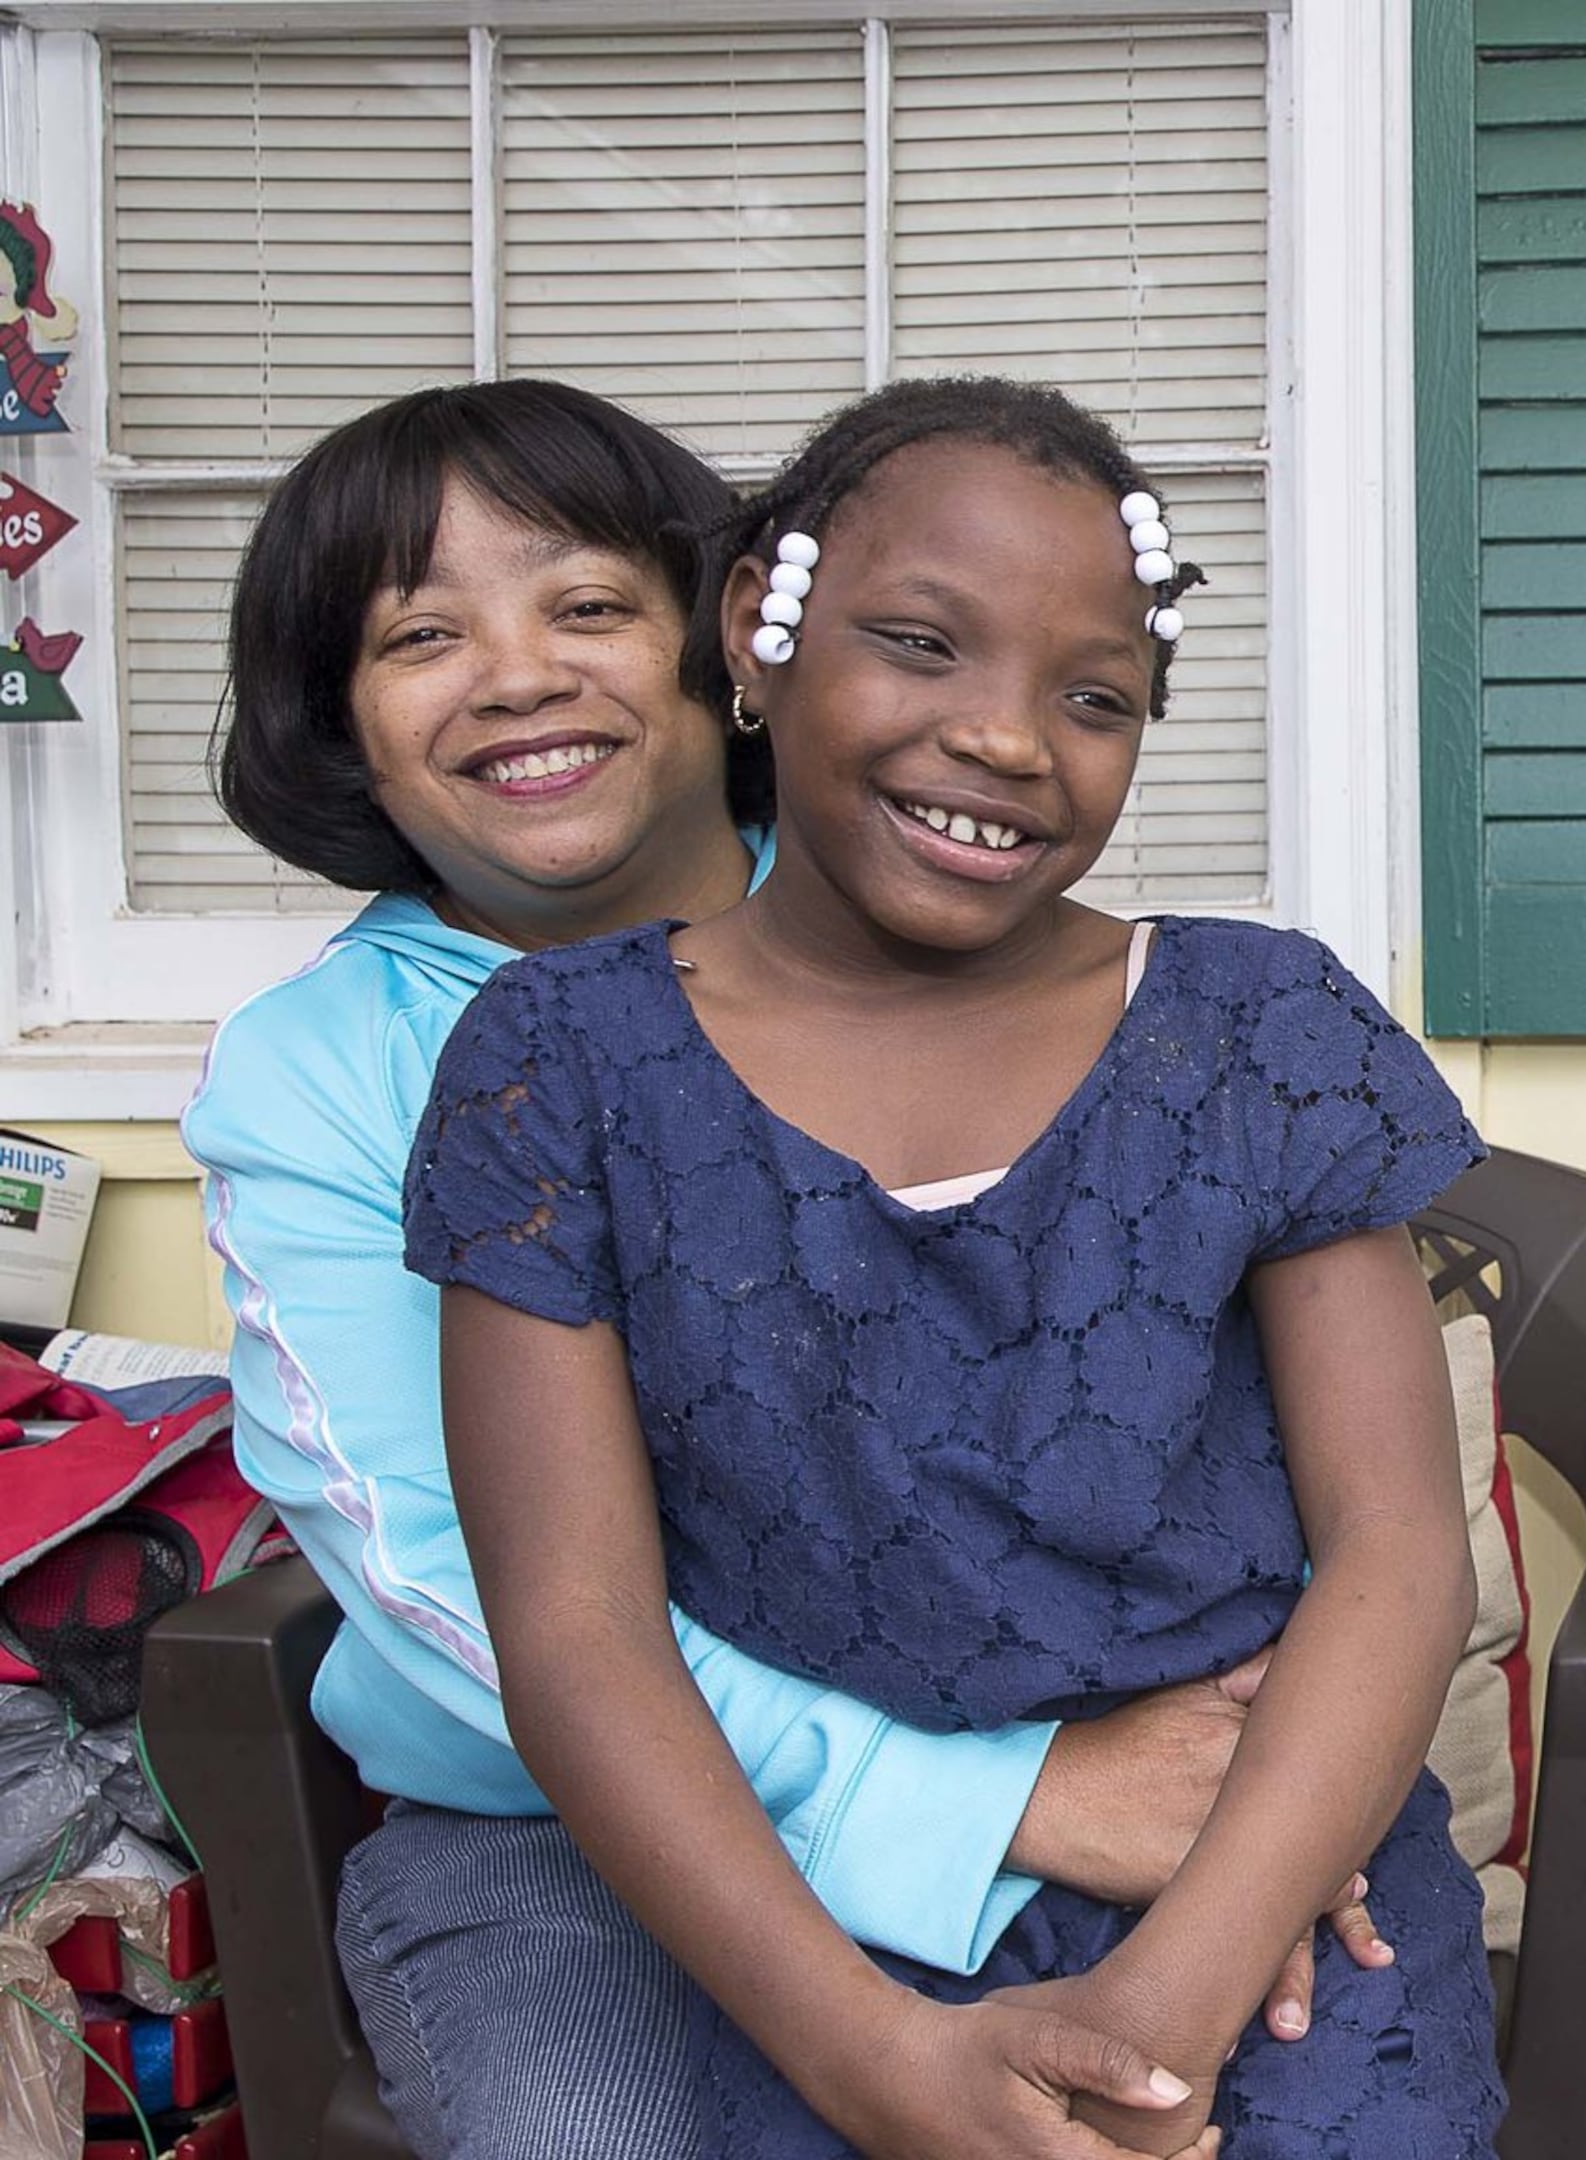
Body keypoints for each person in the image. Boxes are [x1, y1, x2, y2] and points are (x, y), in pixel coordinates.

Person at [185, 379, 1386, 2160]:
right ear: (340, 720)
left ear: (735, 632)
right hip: (558, 1841)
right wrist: (1001, 1803)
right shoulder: (318, 1076)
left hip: (1085, 1739)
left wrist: (1240, 1807)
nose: (518, 675)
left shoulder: (935, 891)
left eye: (587, 606)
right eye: (422, 636)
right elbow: (460, 1587)